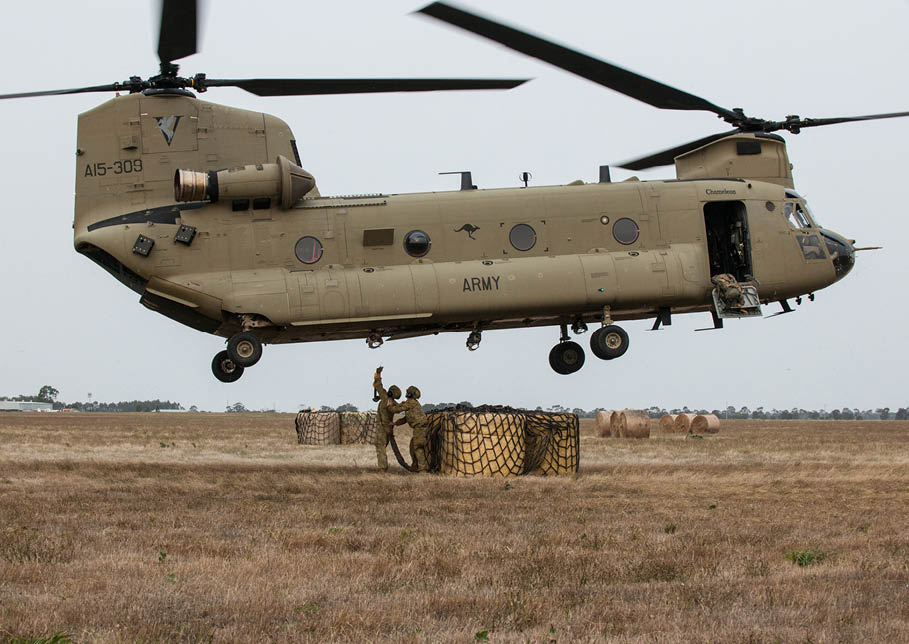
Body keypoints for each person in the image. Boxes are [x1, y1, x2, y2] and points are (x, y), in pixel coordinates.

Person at [391, 385, 430, 472]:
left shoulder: (410, 402)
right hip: (420, 429)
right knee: (413, 447)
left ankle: (423, 469)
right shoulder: (413, 403)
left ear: (409, 394)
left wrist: (390, 405)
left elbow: (397, 409)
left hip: (419, 429)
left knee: (418, 448)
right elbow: (406, 418)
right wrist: (395, 423)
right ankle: (415, 467)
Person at [372, 366, 401, 472]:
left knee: (380, 447)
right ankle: (383, 467)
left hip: (382, 428)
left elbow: (378, 385)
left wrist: (378, 374)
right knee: (383, 446)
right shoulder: (394, 403)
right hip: (389, 428)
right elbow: (399, 409)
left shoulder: (385, 398)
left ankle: (382, 469)